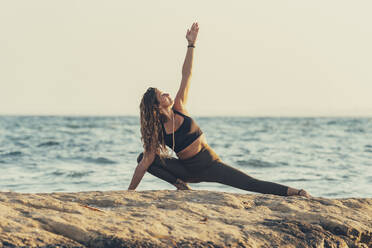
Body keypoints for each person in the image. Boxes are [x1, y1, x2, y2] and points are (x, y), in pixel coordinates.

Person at [128, 22, 311, 198]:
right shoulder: (158, 130)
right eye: (162, 95)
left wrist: (191, 45)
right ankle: (180, 185)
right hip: (187, 170)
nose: (167, 94)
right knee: (143, 158)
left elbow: (187, 75)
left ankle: (298, 192)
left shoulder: (179, 107)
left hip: (212, 165)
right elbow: (145, 163)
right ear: (156, 106)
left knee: (250, 183)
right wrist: (129, 193)